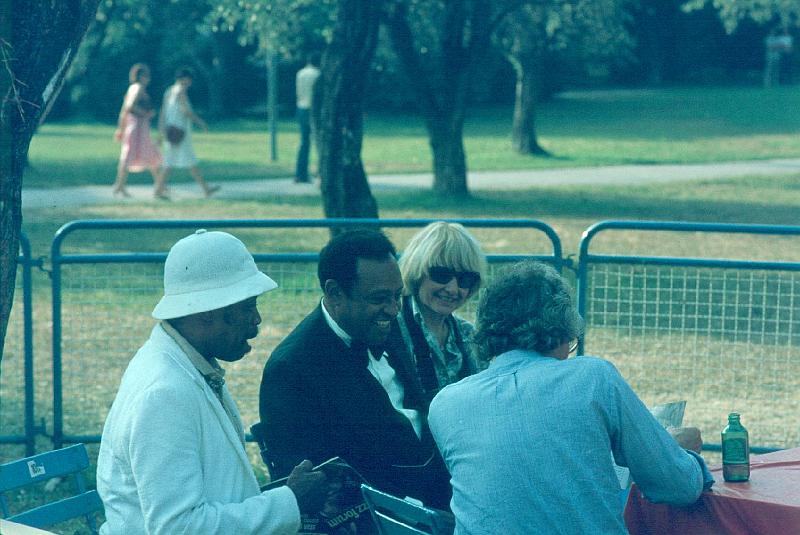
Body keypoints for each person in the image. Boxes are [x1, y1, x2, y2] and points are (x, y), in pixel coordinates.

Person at [428, 261, 715, 535]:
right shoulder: (594, 377)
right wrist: (676, 451)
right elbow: (679, 486)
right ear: (560, 331)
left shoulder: (445, 405)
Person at [96, 229, 327, 534]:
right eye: (248, 306)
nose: (257, 319)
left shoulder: (185, 364)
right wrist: (290, 502)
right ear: (207, 312)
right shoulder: (164, 394)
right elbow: (178, 528)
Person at [259, 229, 452, 510]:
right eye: (378, 299)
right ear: (334, 292)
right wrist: (418, 514)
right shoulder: (292, 370)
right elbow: (315, 490)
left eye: (397, 296)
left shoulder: (385, 326)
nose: (393, 309)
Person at [397, 222, 487, 403]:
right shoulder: (390, 329)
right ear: (417, 271)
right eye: (441, 275)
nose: (452, 289)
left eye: (465, 279)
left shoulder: (469, 334)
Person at [158, 67, 219, 198]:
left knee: (183, 161)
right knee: (173, 163)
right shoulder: (180, 92)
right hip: (180, 133)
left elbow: (163, 113)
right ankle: (158, 191)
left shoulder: (169, 91)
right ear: (184, 79)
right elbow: (186, 112)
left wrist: (161, 131)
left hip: (171, 131)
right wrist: (200, 123)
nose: (189, 83)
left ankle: (206, 189)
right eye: (188, 79)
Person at [112, 63, 165, 199]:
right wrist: (146, 114)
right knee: (144, 154)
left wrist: (121, 128)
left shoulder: (131, 88)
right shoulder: (139, 88)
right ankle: (158, 187)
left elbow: (123, 111)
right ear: (140, 76)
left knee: (144, 154)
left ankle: (158, 186)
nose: (148, 79)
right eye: (145, 76)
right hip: (138, 127)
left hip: (133, 125)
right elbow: (130, 107)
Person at [294, 52, 321, 183]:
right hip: (314, 109)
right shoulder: (318, 75)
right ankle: (321, 172)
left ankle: (300, 174)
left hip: (301, 107)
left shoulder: (300, 73)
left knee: (304, 142)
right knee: (319, 142)